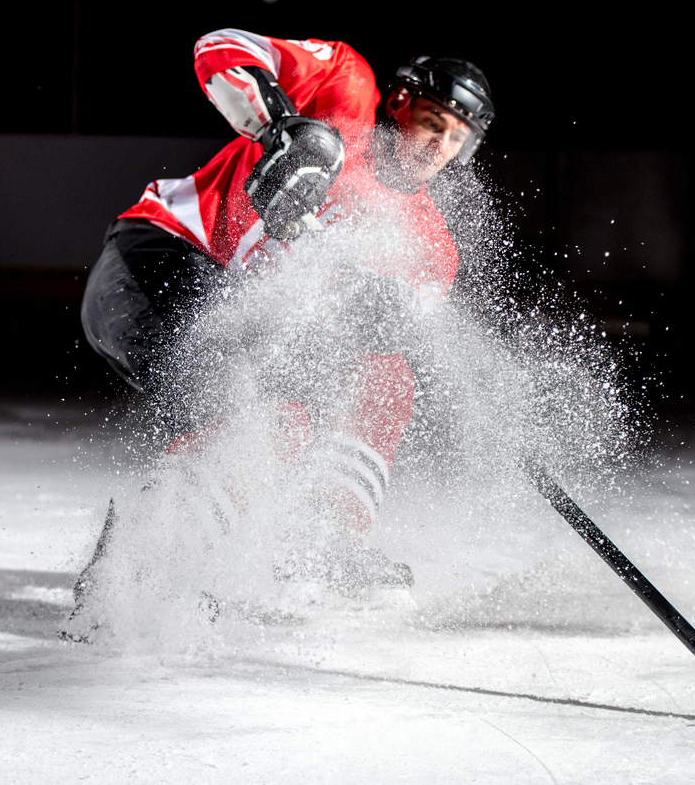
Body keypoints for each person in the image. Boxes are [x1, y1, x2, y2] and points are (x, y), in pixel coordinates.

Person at [74, 29, 495, 604]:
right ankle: (139, 562)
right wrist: (281, 130)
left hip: (243, 325)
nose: (437, 145)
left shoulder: (430, 245)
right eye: (431, 120)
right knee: (266, 412)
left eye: (455, 137)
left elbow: (406, 324)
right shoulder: (344, 90)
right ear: (399, 103)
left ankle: (324, 538)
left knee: (380, 380)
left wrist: (383, 313)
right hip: (158, 263)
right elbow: (218, 47)